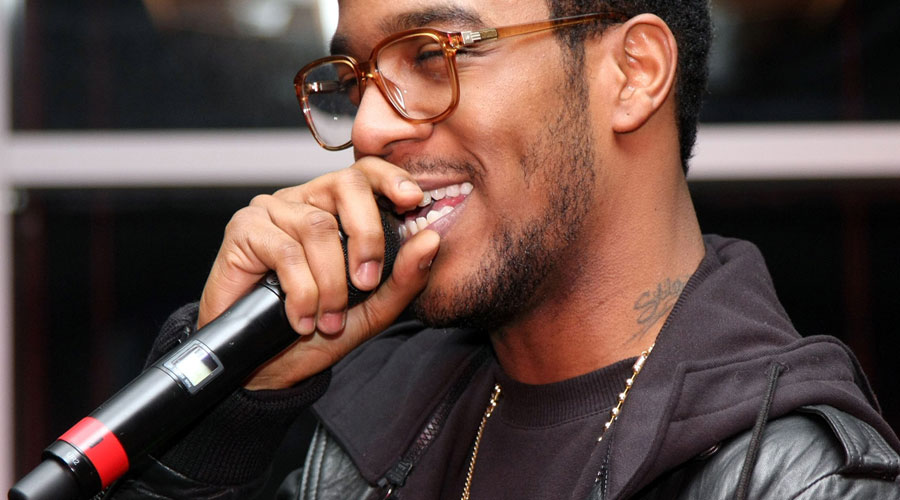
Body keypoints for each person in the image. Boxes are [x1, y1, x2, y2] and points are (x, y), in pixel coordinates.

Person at [107, 0, 900, 498]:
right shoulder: (369, 429)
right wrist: (218, 415)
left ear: (634, 74)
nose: (372, 128)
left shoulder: (797, 479)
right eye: (356, 80)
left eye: (433, 54)